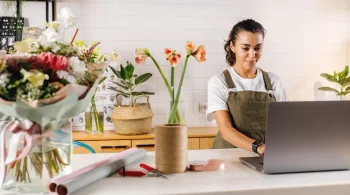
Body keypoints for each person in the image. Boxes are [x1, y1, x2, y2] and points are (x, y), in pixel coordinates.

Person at [206, 19, 288, 155]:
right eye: (245, 48)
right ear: (232, 46)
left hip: (266, 157)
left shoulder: (274, 82)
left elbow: (286, 123)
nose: (252, 54)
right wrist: (259, 147)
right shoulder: (219, 81)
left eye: (257, 48)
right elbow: (226, 131)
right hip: (228, 157)